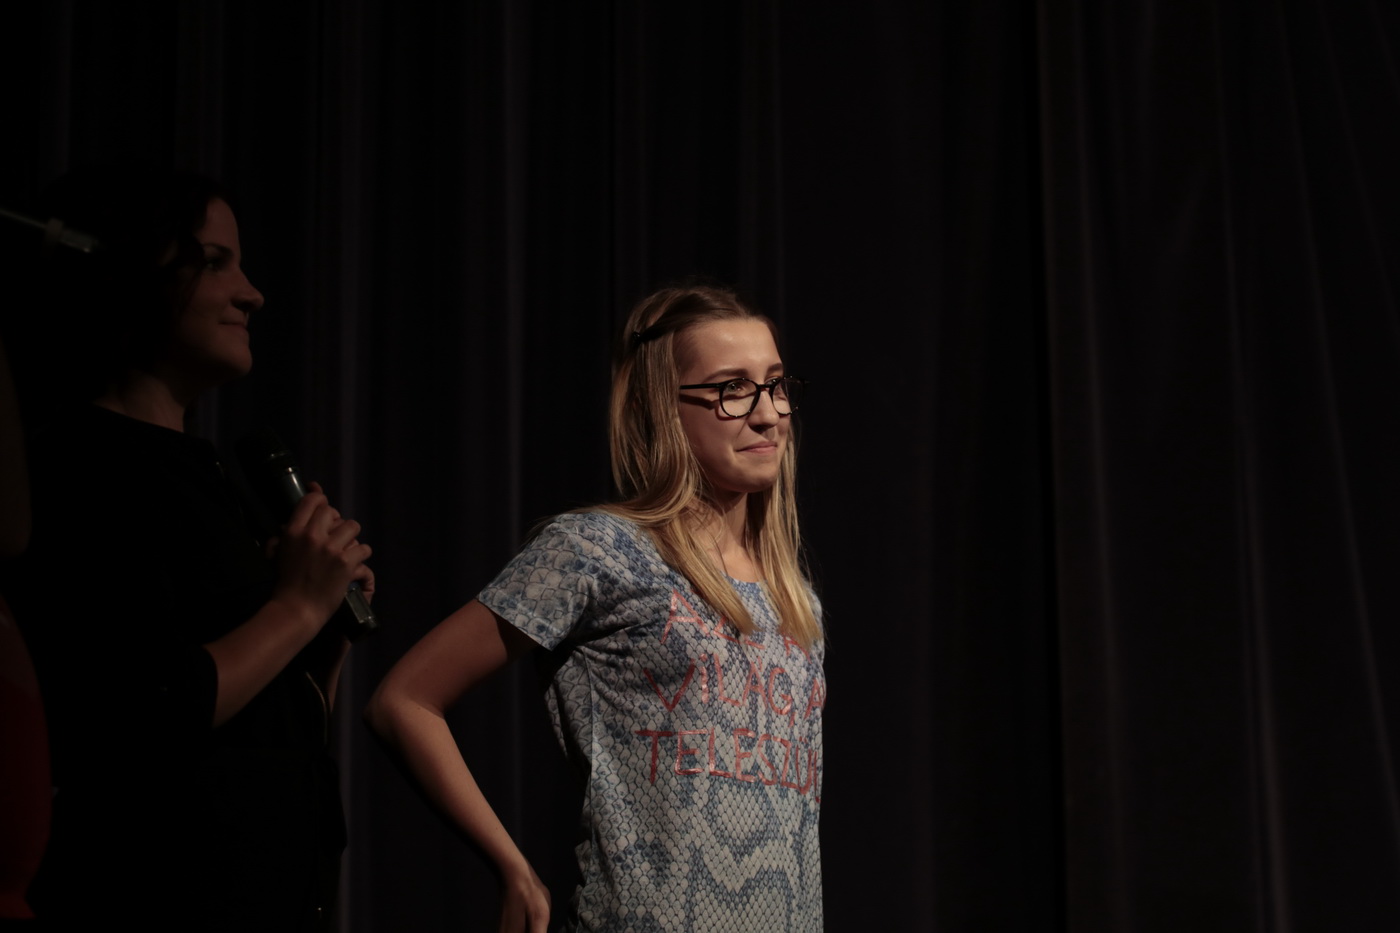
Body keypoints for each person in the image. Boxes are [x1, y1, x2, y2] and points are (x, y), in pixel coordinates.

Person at [366, 283, 826, 932]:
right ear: (661, 408)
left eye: (775, 384)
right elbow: (405, 700)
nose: (768, 413)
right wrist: (513, 870)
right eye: (732, 388)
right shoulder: (600, 550)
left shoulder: (796, 600)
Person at [0, 166, 373, 931]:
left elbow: (258, 742)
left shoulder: (214, 481)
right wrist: (297, 608)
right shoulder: (78, 468)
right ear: (129, 272)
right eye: (214, 262)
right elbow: (141, 710)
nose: (252, 294)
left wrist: (319, 649)